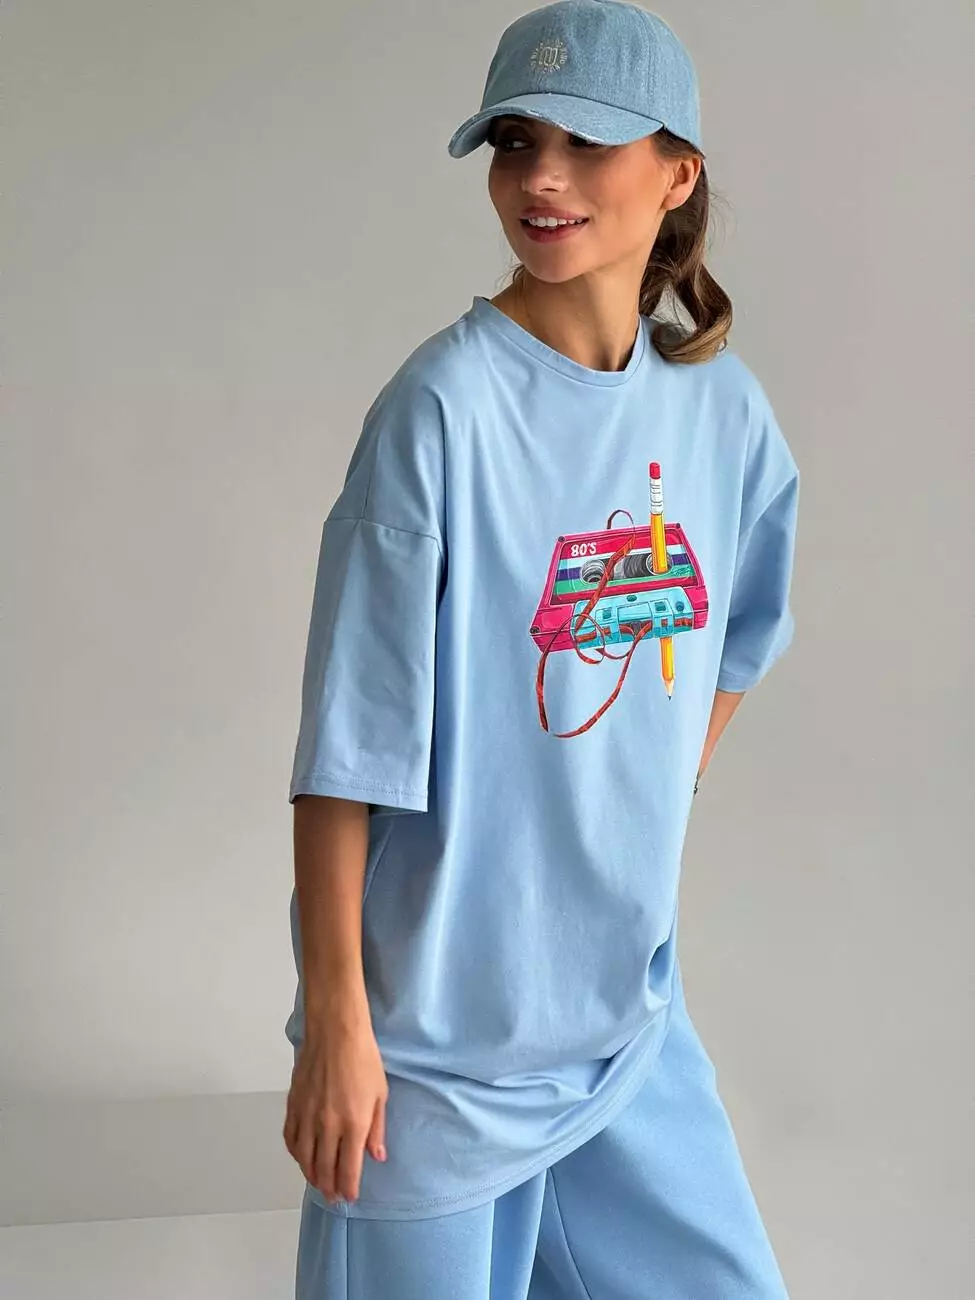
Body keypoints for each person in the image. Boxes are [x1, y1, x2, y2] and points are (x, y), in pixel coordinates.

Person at [282, 1, 799, 1295]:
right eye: (516, 141)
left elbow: (741, 634)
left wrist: (632, 797)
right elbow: (347, 753)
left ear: (676, 174)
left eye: (587, 143)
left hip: (627, 1029)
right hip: (430, 1065)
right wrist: (338, 1022)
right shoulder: (440, 412)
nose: (541, 178)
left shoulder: (722, 415)